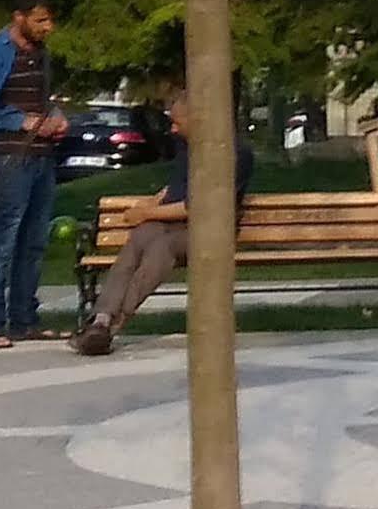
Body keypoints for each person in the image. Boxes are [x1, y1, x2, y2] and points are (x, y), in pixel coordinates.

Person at [70, 81, 248, 357]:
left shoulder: (232, 153)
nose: (173, 129)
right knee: (143, 234)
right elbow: (176, 187)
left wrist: (146, 212)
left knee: (160, 247)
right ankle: (101, 320)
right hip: (174, 225)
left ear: (199, 118)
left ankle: (114, 325)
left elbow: (198, 207)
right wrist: (152, 203)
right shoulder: (188, 146)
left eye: (177, 122)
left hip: (209, 232)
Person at [0, 0, 72, 350]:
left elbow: (39, 103)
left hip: (41, 155)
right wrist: (21, 121)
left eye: (50, 20)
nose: (47, 27)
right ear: (18, 17)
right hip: (8, 156)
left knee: (33, 242)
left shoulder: (40, 55)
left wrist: (53, 117)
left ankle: (24, 319)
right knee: (3, 240)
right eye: (40, 20)